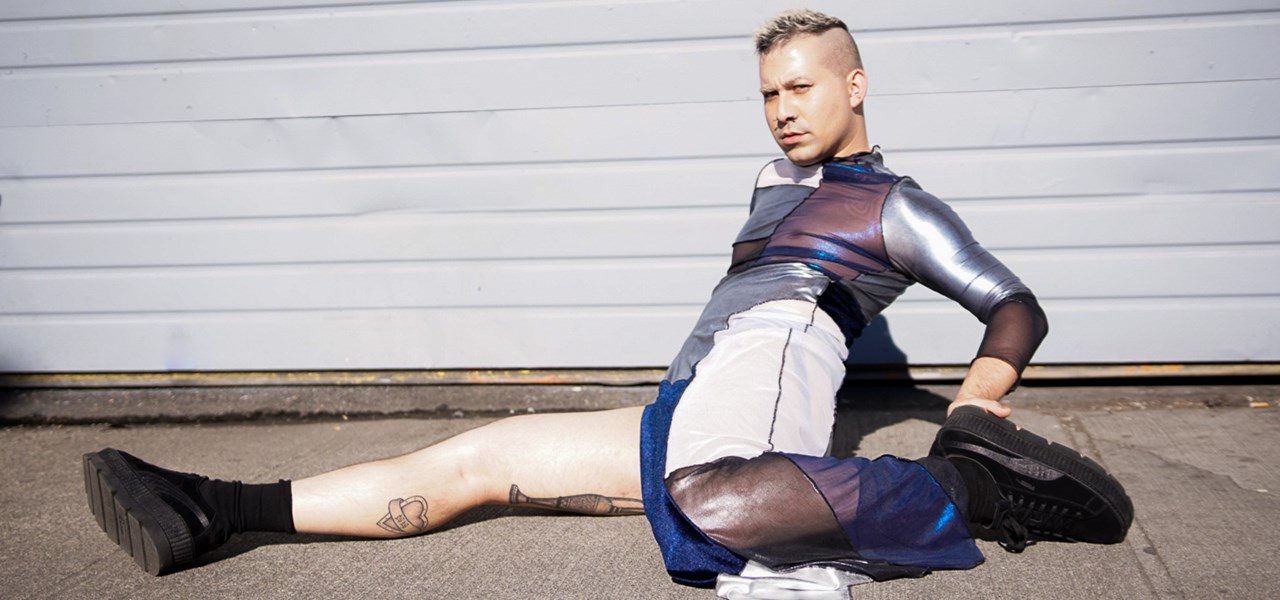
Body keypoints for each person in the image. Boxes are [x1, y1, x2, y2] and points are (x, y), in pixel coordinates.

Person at [82, 9, 1132, 598]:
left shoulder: (891, 204)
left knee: (731, 517)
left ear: (854, 86)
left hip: (780, 347)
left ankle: (975, 490)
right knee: (482, 462)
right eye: (767, 92)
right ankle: (216, 509)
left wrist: (974, 403)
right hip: (693, 393)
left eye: (801, 87)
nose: (780, 110)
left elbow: (1013, 305)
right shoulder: (773, 186)